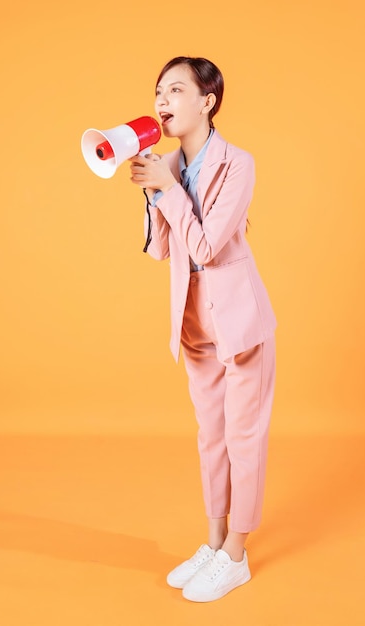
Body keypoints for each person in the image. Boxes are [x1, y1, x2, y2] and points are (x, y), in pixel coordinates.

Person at [129, 56, 277, 603]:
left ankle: (237, 553)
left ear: (206, 101)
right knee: (211, 439)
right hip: (194, 325)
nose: (162, 101)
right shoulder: (169, 165)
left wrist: (167, 189)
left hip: (239, 323)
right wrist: (153, 190)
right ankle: (214, 543)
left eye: (175, 90)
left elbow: (208, 247)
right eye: (158, 92)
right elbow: (158, 249)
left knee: (243, 438)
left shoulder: (238, 163)